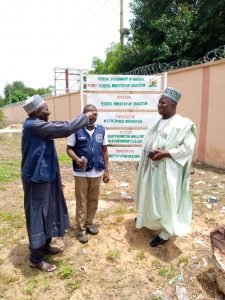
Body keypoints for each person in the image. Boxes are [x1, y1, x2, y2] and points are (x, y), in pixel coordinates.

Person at [21, 95, 96, 271]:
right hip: (36, 177)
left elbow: (60, 125)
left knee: (49, 210)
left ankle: (45, 245)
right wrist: (85, 118)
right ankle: (36, 258)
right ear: (38, 112)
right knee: (38, 213)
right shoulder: (35, 125)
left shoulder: (38, 124)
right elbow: (65, 128)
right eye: (46, 109)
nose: (49, 111)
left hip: (45, 175)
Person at [135, 87, 197, 247]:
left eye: (163, 102)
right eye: (159, 102)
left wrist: (166, 153)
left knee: (165, 199)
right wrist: (141, 161)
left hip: (166, 171)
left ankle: (166, 232)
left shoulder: (183, 124)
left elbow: (187, 148)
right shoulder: (156, 121)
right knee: (149, 195)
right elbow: (147, 143)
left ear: (173, 105)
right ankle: (147, 218)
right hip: (150, 167)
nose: (159, 105)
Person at [67, 104, 109, 244]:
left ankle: (89, 224)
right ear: (83, 115)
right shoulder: (76, 129)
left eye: (95, 114)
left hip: (96, 171)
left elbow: (104, 151)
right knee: (81, 201)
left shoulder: (101, 130)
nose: (93, 117)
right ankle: (80, 230)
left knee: (93, 200)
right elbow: (69, 149)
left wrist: (106, 170)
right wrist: (77, 159)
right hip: (81, 173)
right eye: (90, 114)